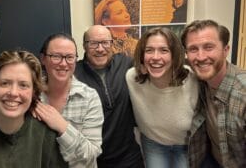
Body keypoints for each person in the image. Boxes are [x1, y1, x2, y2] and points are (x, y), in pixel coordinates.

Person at [0, 50, 67, 168]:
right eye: (5, 83)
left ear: (34, 91)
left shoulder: (46, 135)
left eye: (23, 85)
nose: (13, 93)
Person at [126, 27, 199, 168]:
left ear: (175, 55)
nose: (155, 57)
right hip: (153, 143)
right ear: (142, 56)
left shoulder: (192, 80)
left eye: (164, 50)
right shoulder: (132, 78)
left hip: (186, 145)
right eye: (149, 50)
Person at [74, 25, 144, 168]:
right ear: (84, 46)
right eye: (93, 43)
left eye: (105, 42)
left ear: (112, 44)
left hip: (128, 157)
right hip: (93, 159)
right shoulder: (74, 74)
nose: (100, 49)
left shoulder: (126, 64)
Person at [181, 19, 246, 168]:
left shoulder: (242, 94)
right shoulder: (199, 80)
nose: (201, 57)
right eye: (193, 49)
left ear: (225, 50)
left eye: (209, 47)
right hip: (210, 159)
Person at [33, 33, 104, 167]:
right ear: (43, 58)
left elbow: (91, 153)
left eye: (70, 57)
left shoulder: (89, 97)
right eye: (56, 56)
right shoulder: (31, 94)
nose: (63, 63)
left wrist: (62, 126)